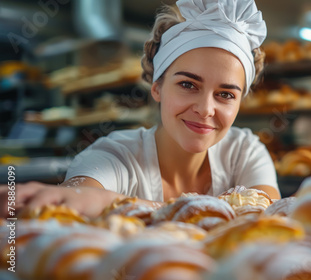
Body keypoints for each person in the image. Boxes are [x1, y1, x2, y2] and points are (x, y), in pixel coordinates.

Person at [0, 0, 280, 219]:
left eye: (225, 94)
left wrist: (113, 204)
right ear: (156, 87)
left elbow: (264, 217)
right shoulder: (116, 155)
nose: (206, 109)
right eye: (188, 85)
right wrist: (84, 198)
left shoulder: (244, 151)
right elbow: (81, 194)